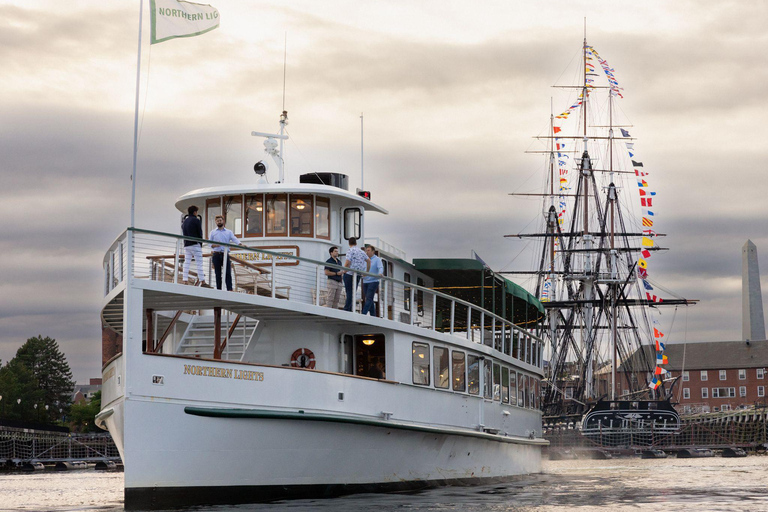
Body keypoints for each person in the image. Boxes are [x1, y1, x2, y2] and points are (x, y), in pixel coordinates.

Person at [209, 215, 243, 291]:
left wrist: (240, 244)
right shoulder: (212, 232)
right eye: (218, 221)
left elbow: (234, 239)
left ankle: (229, 289)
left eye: (220, 220)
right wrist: (215, 244)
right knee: (218, 273)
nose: (219, 222)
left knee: (228, 272)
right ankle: (219, 290)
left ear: (223, 221)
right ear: (215, 222)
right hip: (216, 254)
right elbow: (210, 244)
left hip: (225, 254)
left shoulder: (228, 232)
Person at [181, 206, 208, 287]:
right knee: (199, 263)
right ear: (195, 212)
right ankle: (202, 281)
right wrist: (200, 244)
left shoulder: (184, 222)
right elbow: (200, 233)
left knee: (187, 262)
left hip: (187, 245)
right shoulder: (196, 220)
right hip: (195, 244)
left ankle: (185, 280)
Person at [343, 237, 370, 312]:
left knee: (349, 291)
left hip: (349, 274)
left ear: (349, 243)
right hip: (358, 274)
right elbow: (368, 261)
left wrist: (343, 271)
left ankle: (347, 309)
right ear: (356, 243)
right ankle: (350, 308)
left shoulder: (350, 250)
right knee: (353, 291)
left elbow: (348, 262)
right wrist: (366, 272)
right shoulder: (361, 252)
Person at [361, 245, 383, 316]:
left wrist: (380, 273)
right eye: (366, 250)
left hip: (373, 281)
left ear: (373, 251)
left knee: (369, 298)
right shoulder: (365, 259)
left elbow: (380, 267)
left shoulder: (377, 259)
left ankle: (363, 314)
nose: (367, 252)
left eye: (368, 250)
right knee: (368, 298)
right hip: (365, 281)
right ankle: (373, 315)